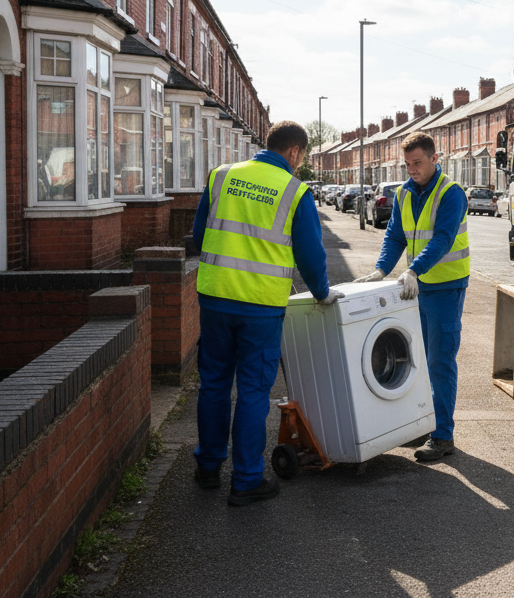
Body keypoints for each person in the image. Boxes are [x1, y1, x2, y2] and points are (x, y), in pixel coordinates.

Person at [191, 120, 342, 506]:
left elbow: (198, 235)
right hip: (259, 306)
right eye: (302, 157)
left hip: (215, 298)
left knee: (213, 384)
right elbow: (311, 256)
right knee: (254, 391)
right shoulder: (295, 192)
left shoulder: (221, 176)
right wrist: (322, 293)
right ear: (294, 152)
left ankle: (208, 468)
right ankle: (246, 479)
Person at [353, 131, 469, 462]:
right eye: (407, 164)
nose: (411, 170)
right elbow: (395, 236)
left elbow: (443, 239)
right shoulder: (405, 193)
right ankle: (423, 424)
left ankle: (443, 436)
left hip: (445, 288)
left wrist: (414, 269)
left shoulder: (451, 193)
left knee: (440, 361)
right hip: (414, 288)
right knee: (415, 359)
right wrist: (380, 271)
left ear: (435, 159)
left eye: (417, 163)